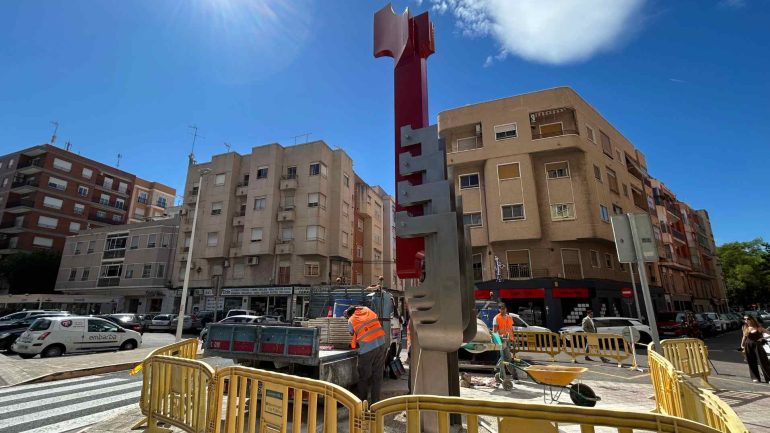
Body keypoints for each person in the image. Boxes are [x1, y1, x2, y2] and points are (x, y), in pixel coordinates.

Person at [345, 305, 388, 403]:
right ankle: (375, 404)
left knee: (364, 377)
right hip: (381, 345)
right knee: (377, 376)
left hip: (367, 350)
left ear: (349, 314)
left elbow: (351, 333)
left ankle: (362, 404)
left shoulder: (351, 319)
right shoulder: (368, 311)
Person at [740, 315, 770, 383]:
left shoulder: (759, 328)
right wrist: (742, 345)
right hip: (748, 345)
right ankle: (755, 377)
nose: (746, 320)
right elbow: (744, 337)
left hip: (757, 346)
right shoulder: (745, 327)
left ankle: (768, 378)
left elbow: (769, 333)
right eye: (745, 319)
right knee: (751, 362)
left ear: (752, 319)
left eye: (748, 319)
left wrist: (763, 338)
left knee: (763, 361)